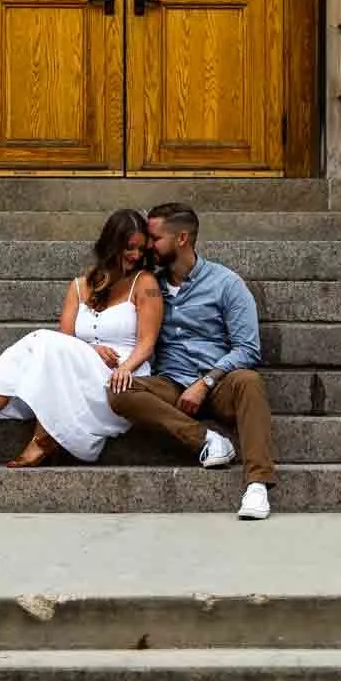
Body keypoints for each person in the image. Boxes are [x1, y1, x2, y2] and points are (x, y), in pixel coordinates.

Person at [0, 208, 164, 470]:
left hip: (121, 376)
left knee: (41, 342)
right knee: (36, 347)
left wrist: (125, 368)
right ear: (111, 245)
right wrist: (92, 349)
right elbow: (66, 338)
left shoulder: (145, 283)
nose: (136, 255)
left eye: (140, 249)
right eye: (129, 248)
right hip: (78, 367)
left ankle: (13, 437)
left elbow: (147, 343)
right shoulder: (79, 286)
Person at [107, 202, 279, 520]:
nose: (148, 246)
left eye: (155, 238)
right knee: (119, 390)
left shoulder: (226, 284)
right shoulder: (150, 285)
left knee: (250, 381)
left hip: (219, 383)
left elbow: (248, 348)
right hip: (171, 383)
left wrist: (206, 382)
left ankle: (257, 484)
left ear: (182, 238)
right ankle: (208, 440)